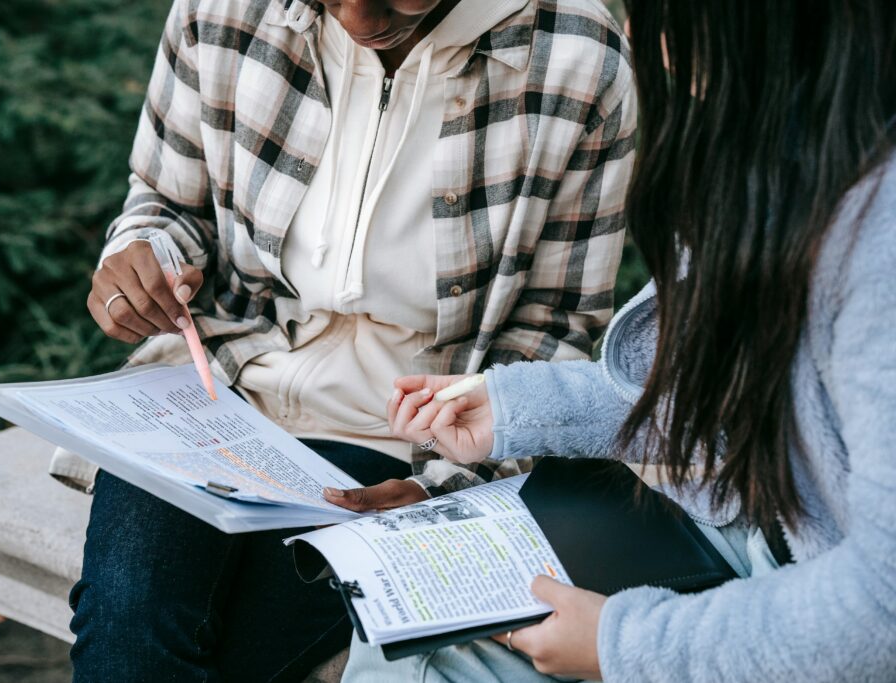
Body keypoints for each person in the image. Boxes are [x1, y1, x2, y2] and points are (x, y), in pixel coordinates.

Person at [60, 0, 636, 680]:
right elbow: (166, 200)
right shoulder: (219, 10)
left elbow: (555, 328)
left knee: (232, 658)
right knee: (129, 620)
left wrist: (444, 488)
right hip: (211, 389)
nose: (361, 19)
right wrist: (143, 257)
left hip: (401, 438)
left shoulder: (577, 56)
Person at [352, 0, 896, 680]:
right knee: (416, 615)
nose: (634, 34)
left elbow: (883, 607)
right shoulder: (782, 153)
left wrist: (623, 644)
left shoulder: (879, 240)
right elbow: (701, 393)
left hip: (825, 603)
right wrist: (509, 407)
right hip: (770, 538)